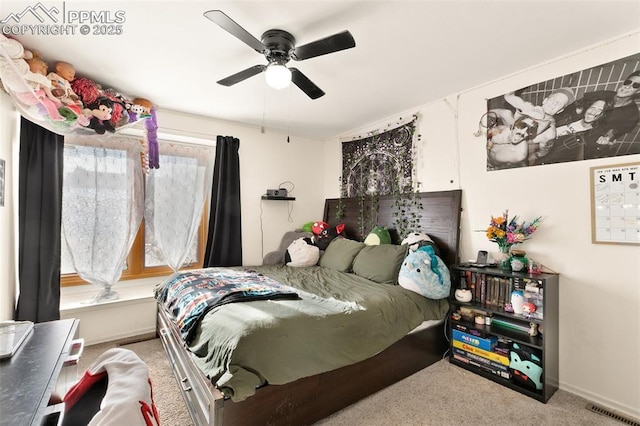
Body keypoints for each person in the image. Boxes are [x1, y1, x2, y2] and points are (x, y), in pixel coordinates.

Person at [533, 97, 613, 164]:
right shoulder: (571, 116)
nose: (593, 112)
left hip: (543, 161)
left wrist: (600, 148)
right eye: (592, 107)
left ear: (604, 115)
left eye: (600, 110)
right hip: (533, 145)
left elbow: (588, 158)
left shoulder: (594, 136)